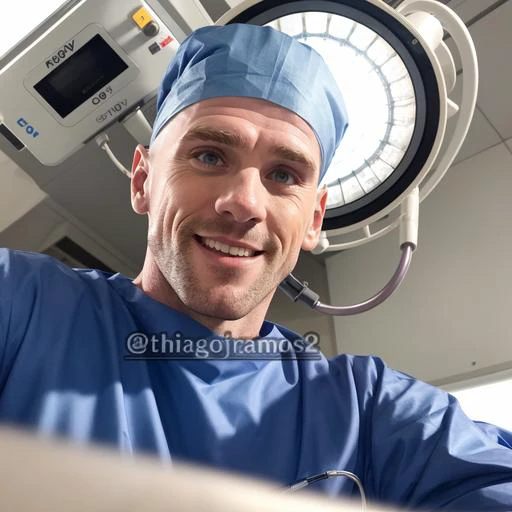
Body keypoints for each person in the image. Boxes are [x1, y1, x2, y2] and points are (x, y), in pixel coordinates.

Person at [0, 23, 511, 511]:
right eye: (208, 156)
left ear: (313, 220)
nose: (244, 202)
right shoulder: (23, 304)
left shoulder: (368, 409)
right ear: (143, 181)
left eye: (284, 174)